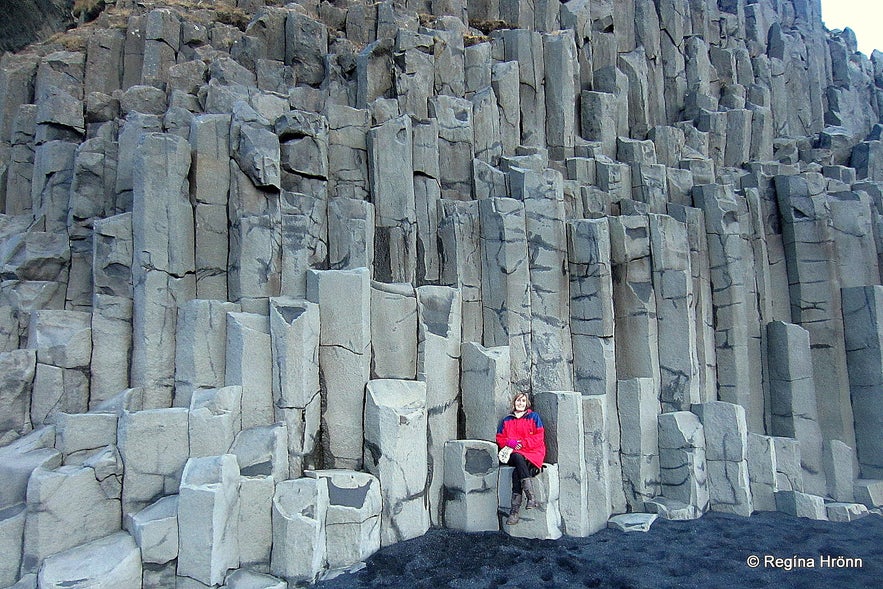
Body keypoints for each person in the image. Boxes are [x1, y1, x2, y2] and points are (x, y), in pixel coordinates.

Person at [495, 392, 546, 525]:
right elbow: (500, 438)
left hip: (532, 452)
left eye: (523, 401)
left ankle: (514, 512)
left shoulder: (534, 417)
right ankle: (531, 497)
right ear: (514, 403)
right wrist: (512, 443)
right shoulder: (507, 420)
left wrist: (522, 443)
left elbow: (539, 437)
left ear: (527, 403)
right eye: (518, 401)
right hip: (513, 452)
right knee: (517, 457)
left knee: (517, 472)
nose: (521, 403)